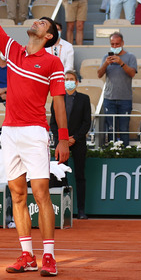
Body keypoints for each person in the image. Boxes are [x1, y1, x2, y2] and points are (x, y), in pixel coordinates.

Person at [0, 0, 69, 277]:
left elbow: (58, 102)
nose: (37, 22)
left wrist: (64, 137)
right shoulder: (13, 50)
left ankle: (50, 257)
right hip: (10, 132)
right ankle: (27, 255)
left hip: (35, 132)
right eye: (37, 20)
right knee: (17, 193)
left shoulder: (53, 62)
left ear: (50, 35)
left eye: (43, 23)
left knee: (41, 193)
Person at [49, 70, 92, 219]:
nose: (68, 81)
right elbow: (53, 123)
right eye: (66, 79)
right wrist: (63, 139)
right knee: (61, 175)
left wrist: (75, 138)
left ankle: (81, 210)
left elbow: (87, 123)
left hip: (78, 142)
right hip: (62, 143)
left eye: (71, 79)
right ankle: (63, 209)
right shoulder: (56, 99)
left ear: (77, 82)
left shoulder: (84, 99)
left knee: (80, 175)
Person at [98, 33, 138, 145]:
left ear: (122, 43)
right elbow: (99, 74)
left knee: (124, 128)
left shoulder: (130, 57)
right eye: (112, 44)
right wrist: (106, 64)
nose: (115, 46)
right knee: (111, 128)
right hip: (109, 98)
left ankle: (125, 151)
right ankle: (112, 150)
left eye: (117, 44)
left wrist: (121, 63)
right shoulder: (105, 58)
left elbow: (132, 73)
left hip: (125, 98)